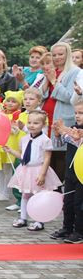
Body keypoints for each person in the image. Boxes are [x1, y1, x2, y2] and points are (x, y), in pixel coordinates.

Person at [5, 110, 63, 231]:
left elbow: (47, 158)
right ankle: (23, 218)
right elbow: (23, 156)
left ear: (43, 124)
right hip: (26, 170)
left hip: (39, 169)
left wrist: (42, 174)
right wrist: (11, 151)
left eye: (36, 123)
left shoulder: (45, 140)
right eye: (30, 122)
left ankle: (39, 221)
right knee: (25, 195)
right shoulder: (24, 138)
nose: (32, 125)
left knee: (39, 196)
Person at [47, 42, 83, 182]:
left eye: (60, 54)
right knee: (48, 157)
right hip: (47, 118)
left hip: (63, 118)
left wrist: (54, 81)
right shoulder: (51, 70)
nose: (57, 57)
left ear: (68, 54)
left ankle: (59, 193)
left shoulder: (75, 72)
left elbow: (69, 97)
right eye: (54, 54)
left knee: (60, 158)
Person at [52, 102, 83, 243]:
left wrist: (67, 131)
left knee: (79, 203)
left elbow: (78, 142)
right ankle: (67, 228)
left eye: (81, 113)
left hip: (81, 174)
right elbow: (59, 145)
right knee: (68, 202)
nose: (77, 116)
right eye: (76, 113)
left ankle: (79, 231)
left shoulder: (76, 132)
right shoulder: (73, 129)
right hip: (70, 172)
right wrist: (58, 134)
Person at [0, 90, 25, 211]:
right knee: (2, 168)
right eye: (8, 100)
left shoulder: (18, 115)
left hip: (12, 144)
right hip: (3, 141)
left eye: (13, 101)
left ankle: (6, 192)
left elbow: (16, 130)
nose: (10, 103)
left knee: (9, 168)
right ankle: (2, 190)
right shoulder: (2, 112)